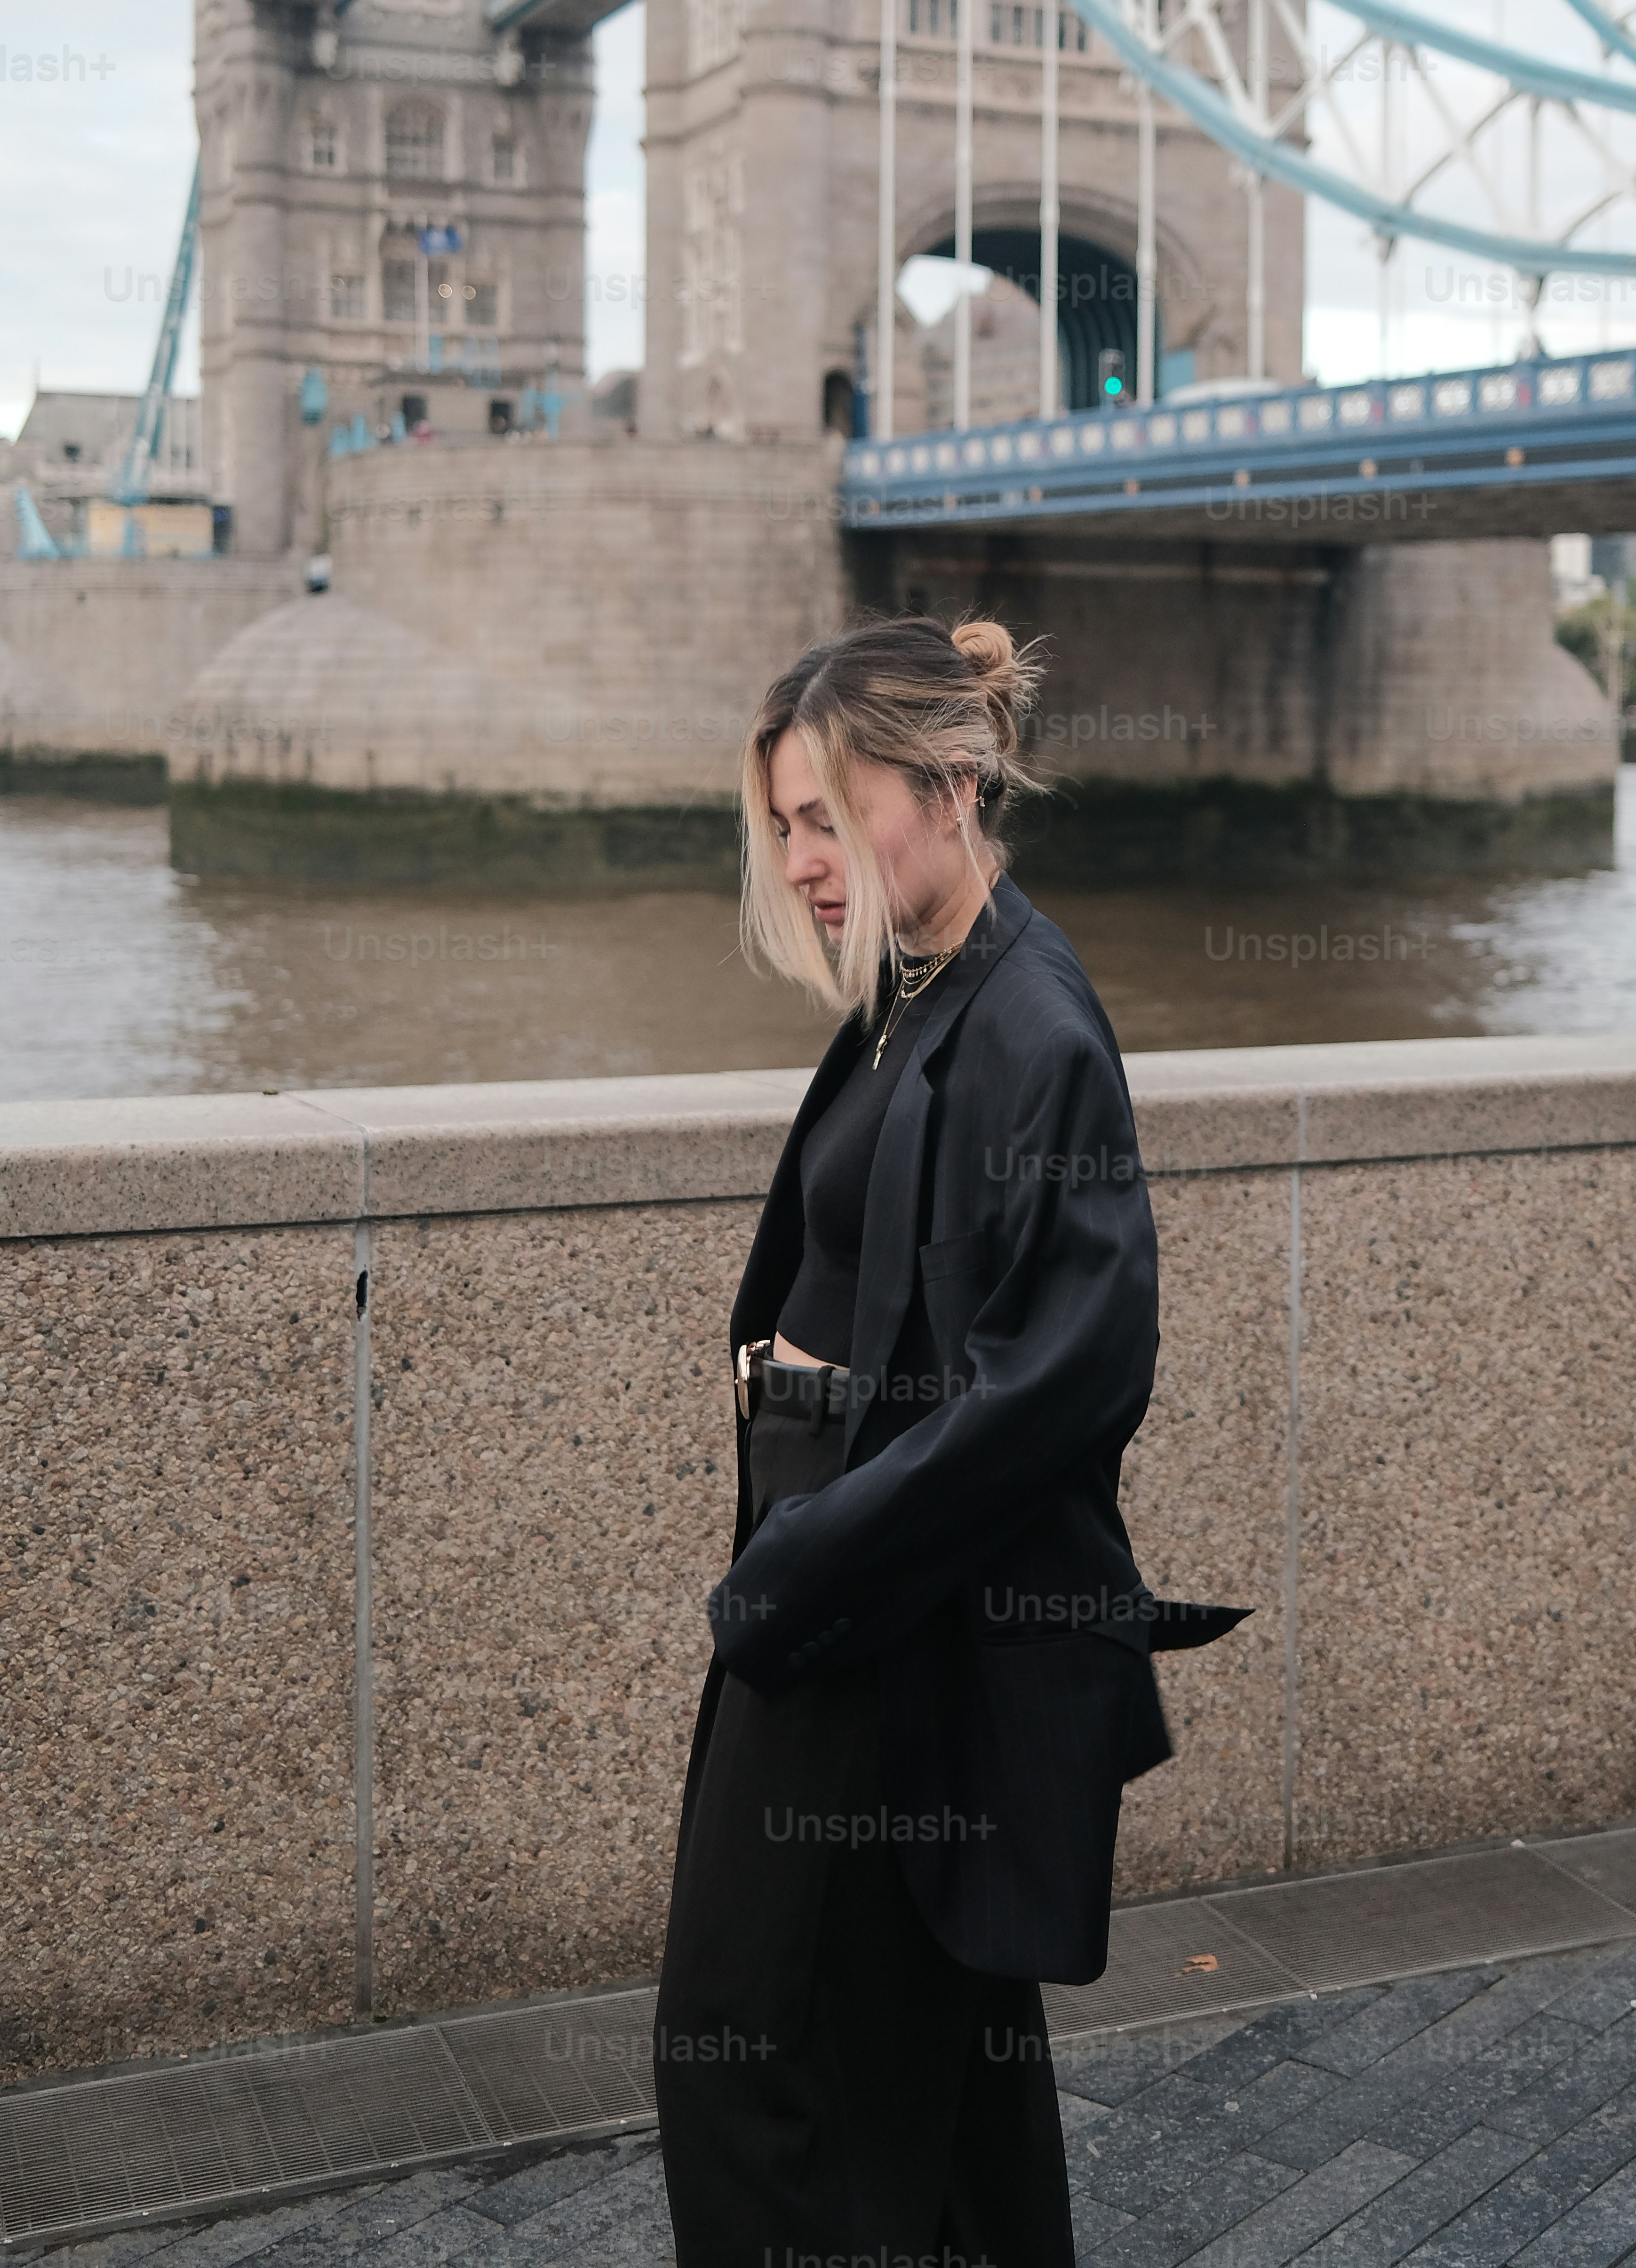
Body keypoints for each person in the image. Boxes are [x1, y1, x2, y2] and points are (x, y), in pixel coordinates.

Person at [653, 613, 1241, 2267]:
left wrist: (798, 1567)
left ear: (954, 785)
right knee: (943, 2073)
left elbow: (1056, 1381)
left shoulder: (1035, 1028)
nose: (804, 862)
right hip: (857, 1592)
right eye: (782, 826)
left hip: (874, 1625)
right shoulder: (920, 992)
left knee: (743, 2038)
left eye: (830, 818)